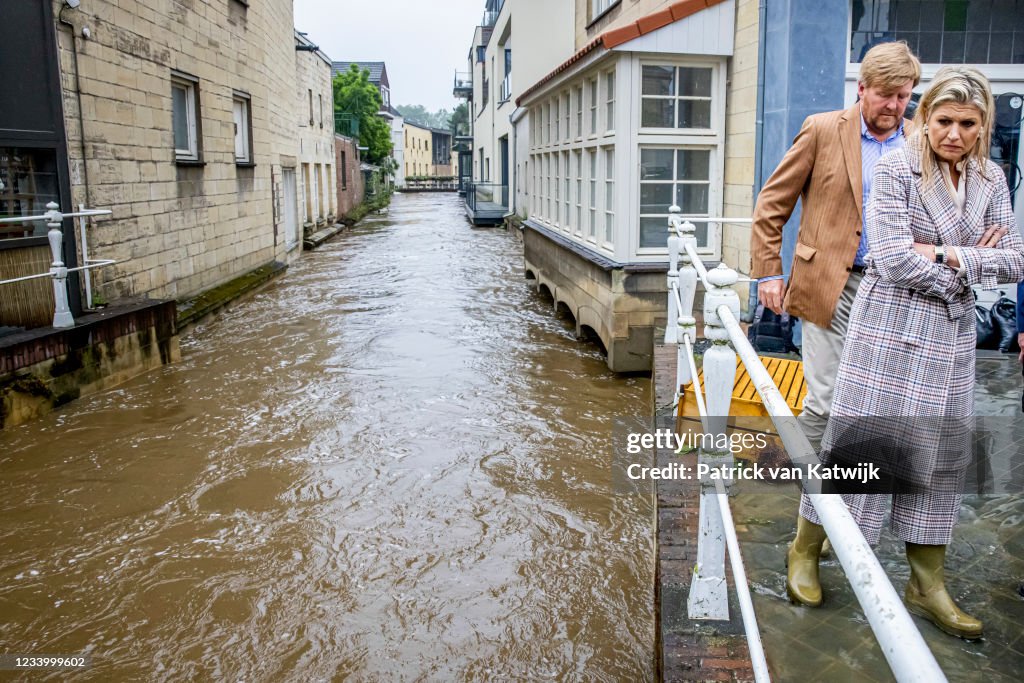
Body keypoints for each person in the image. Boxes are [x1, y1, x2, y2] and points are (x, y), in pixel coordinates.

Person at [796, 66, 1024, 639]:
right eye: (943, 120)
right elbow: (894, 257)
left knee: (937, 454)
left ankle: (927, 584)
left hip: (949, 336)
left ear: (982, 124)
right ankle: (806, 549)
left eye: (967, 123)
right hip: (889, 327)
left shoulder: (993, 178)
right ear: (926, 119)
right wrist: (971, 255)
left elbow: (1017, 261)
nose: (954, 133)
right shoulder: (898, 168)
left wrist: (945, 254)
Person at [750, 42, 920, 456]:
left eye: (904, 96)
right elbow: (773, 203)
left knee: (880, 402)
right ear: (862, 88)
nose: (895, 106)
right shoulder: (822, 129)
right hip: (827, 283)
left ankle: (855, 493)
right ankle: (810, 502)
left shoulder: (922, 140)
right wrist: (769, 273)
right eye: (886, 94)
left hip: (894, 289)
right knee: (825, 399)